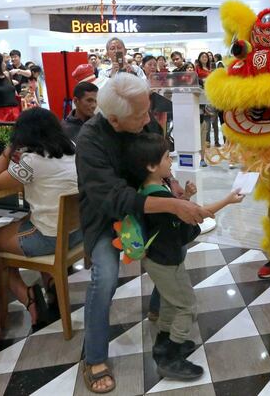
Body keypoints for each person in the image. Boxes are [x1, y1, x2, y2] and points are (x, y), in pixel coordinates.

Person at [74, 73, 212, 392]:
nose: (148, 119)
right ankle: (94, 356)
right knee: (105, 276)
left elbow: (157, 155)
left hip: (147, 207)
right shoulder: (90, 140)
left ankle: (158, 307)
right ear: (113, 119)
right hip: (105, 215)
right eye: (140, 115)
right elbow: (112, 198)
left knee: (173, 249)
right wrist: (171, 207)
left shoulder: (143, 119)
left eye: (148, 110)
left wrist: (172, 185)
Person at [122, 133, 243, 379]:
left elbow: (176, 215)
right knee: (187, 306)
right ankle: (171, 357)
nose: (170, 161)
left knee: (169, 302)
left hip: (157, 257)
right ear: (151, 166)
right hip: (166, 260)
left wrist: (184, 198)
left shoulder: (149, 191)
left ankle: (163, 343)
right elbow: (199, 213)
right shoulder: (160, 196)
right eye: (167, 157)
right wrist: (229, 200)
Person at [0, 108, 82, 326]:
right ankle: (51, 283)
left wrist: (9, 151)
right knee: (22, 224)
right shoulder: (72, 149)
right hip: (78, 234)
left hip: (49, 239)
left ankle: (27, 297)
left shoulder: (33, 161)